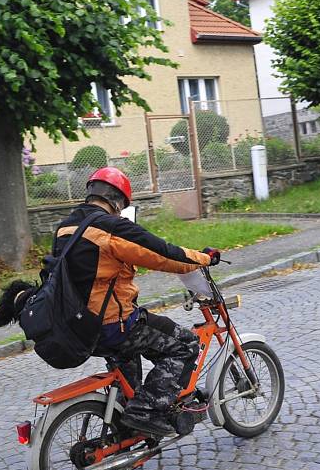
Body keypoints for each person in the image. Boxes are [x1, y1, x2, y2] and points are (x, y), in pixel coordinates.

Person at [51, 167, 220, 437]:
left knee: (128, 368)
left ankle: (126, 431)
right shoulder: (112, 227)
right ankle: (147, 411)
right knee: (185, 344)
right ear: (117, 201)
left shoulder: (65, 228)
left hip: (79, 328)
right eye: (121, 206)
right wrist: (203, 257)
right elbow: (161, 254)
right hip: (112, 325)